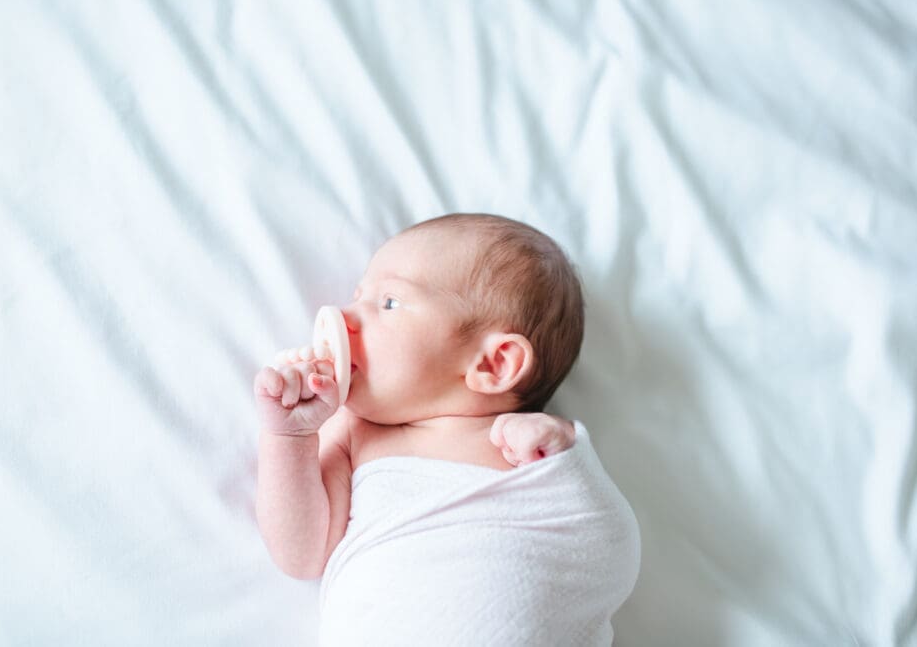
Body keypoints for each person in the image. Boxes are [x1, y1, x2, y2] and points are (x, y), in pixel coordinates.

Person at [255, 213, 640, 645]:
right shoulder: (352, 433)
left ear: (494, 364)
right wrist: (289, 439)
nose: (345, 316)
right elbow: (301, 553)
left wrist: (569, 463)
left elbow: (607, 549)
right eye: (358, 295)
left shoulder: (537, 448)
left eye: (389, 303)